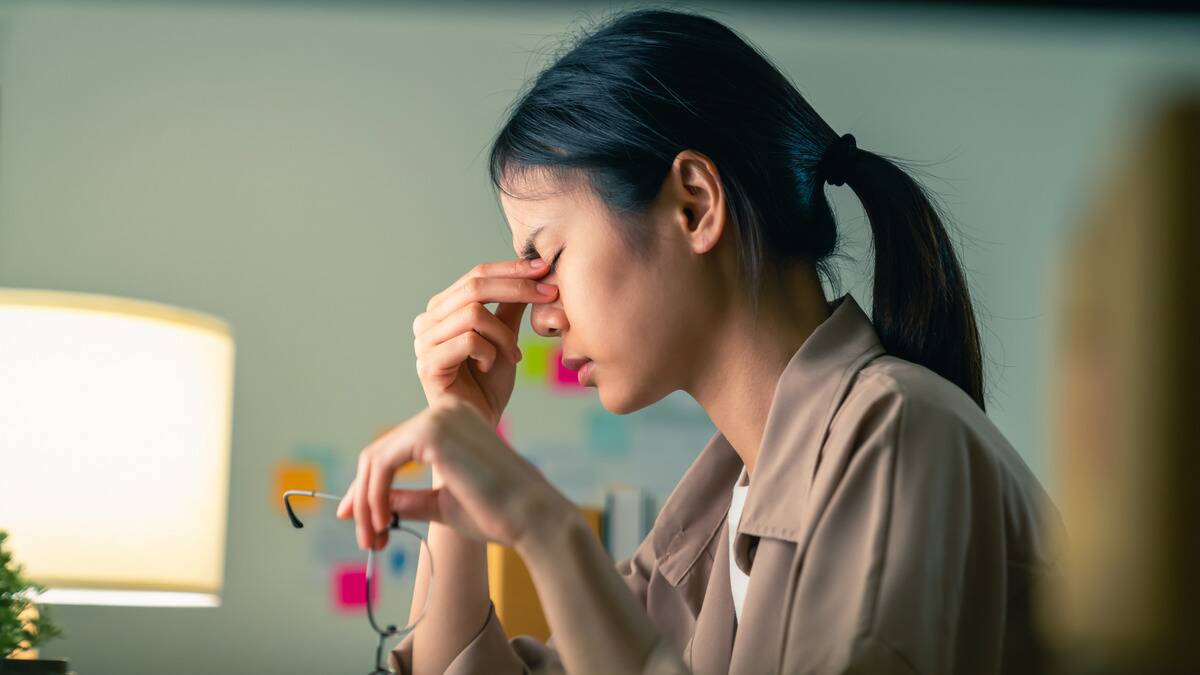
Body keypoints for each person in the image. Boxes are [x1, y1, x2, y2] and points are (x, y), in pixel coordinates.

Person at [336, 8, 1063, 675]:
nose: (541, 316)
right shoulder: (713, 518)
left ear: (695, 204)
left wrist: (547, 527)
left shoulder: (897, 431)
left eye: (547, 258)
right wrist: (463, 435)